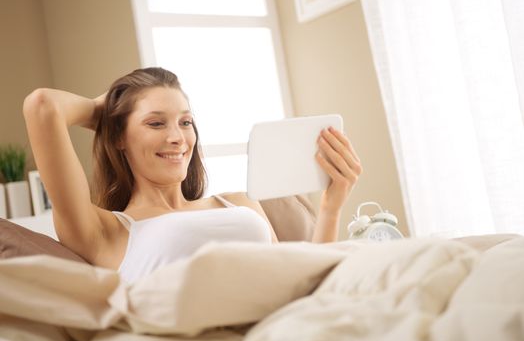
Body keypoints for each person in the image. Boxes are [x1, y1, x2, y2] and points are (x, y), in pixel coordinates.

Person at [23, 67, 362, 283]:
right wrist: (108, 113)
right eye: (156, 123)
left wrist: (332, 206)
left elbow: (309, 287)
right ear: (118, 139)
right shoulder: (106, 232)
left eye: (185, 122)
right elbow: (42, 106)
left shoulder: (239, 203)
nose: (177, 137)